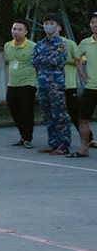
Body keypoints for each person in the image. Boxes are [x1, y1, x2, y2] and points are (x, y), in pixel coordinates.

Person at [30, 14, 71, 155]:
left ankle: (64, 144)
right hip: (43, 84)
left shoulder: (61, 43)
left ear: (58, 26)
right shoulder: (40, 43)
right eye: (46, 22)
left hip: (56, 84)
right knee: (47, 115)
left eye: (51, 23)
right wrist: (45, 59)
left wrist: (43, 59)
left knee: (60, 115)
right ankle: (53, 143)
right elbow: (33, 61)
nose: (48, 25)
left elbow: (55, 60)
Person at [3, 20, 36, 148]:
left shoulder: (33, 46)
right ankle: (22, 135)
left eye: (19, 29)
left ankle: (28, 137)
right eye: (14, 29)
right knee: (14, 109)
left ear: (26, 32)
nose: (15, 32)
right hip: (12, 83)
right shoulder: (7, 46)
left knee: (26, 111)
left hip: (28, 83)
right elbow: (9, 61)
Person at [70, 12, 97, 158]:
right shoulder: (85, 42)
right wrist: (82, 73)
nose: (95, 25)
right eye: (93, 22)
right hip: (91, 87)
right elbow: (77, 58)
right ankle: (83, 148)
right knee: (83, 119)